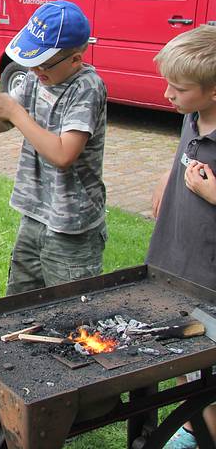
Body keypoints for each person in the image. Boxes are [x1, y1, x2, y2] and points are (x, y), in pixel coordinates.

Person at [0, 0, 107, 296]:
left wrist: (17, 113)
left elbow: (63, 155)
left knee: (73, 315)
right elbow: (1, 124)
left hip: (72, 225)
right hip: (34, 214)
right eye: (33, 61)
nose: (36, 69)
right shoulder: (35, 78)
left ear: (75, 60)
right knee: (21, 305)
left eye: (44, 63)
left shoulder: (86, 88)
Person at [145, 25, 216, 449]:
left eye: (179, 88)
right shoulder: (193, 117)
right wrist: (166, 177)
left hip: (210, 276)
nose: (168, 95)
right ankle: (189, 427)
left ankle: (202, 430)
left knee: (208, 370)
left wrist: (211, 191)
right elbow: (186, 151)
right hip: (175, 257)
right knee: (176, 351)